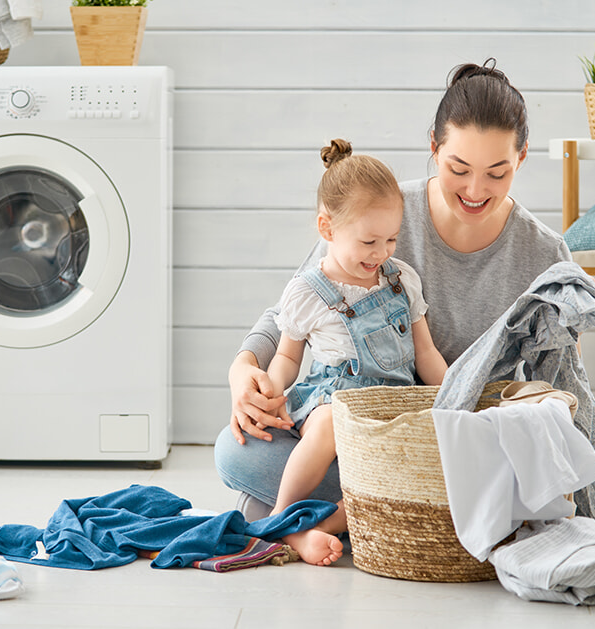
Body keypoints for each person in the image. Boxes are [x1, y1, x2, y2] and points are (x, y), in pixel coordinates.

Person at [214, 59, 574, 545]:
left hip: (461, 442)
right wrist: (243, 371)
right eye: (458, 168)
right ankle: (361, 512)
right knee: (236, 452)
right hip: (358, 431)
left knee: (505, 473)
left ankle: (318, 517)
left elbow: (556, 385)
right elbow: (291, 313)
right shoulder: (382, 212)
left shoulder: (544, 254)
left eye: (497, 173)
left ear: (523, 157)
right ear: (433, 147)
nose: (474, 190)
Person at [265, 139, 447, 565]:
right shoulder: (308, 291)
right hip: (334, 397)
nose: (381, 253)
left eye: (391, 239)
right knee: (331, 422)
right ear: (327, 229)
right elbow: (288, 357)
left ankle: (314, 531)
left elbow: (425, 351)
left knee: (401, 470)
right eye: (369, 241)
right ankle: (278, 518)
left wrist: (451, 396)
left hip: (391, 401)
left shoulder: (401, 279)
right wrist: (272, 390)